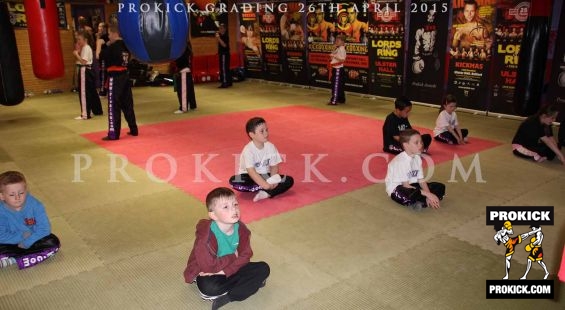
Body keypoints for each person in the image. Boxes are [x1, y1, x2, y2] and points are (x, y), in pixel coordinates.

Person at [183, 187, 270, 310]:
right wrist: (233, 256)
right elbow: (209, 267)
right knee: (209, 287)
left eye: (235, 204)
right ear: (213, 215)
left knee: (263, 268)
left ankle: (229, 296)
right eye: (226, 207)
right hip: (208, 272)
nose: (234, 209)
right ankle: (246, 285)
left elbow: (246, 256)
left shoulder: (241, 229)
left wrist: (225, 271)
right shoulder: (205, 237)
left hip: (226, 270)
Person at [0, 171, 60, 269]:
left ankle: (13, 259)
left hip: (33, 239)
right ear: (2, 196)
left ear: (26, 190)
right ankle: (22, 256)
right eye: (12, 195)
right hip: (11, 240)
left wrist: (26, 242)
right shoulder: (1, 211)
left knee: (53, 242)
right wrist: (22, 236)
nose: (17, 197)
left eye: (21, 193)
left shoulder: (36, 205)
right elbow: (1, 236)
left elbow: (44, 229)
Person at [229, 117, 294, 202]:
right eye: (262, 131)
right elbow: (251, 171)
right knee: (235, 181)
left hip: (265, 175)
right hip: (248, 176)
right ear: (252, 135)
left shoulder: (270, 146)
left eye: (266, 130)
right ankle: (264, 188)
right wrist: (265, 185)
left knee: (289, 180)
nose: (266, 133)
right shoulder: (248, 150)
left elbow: (274, 166)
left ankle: (265, 193)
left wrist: (272, 180)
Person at [384, 129, 445, 211]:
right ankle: (422, 201)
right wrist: (429, 195)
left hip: (413, 185)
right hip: (399, 188)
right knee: (410, 195)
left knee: (440, 187)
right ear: (406, 145)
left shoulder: (417, 157)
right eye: (416, 143)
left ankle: (421, 201)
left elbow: (421, 180)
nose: (420, 145)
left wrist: (429, 194)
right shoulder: (401, 162)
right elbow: (406, 186)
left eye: (421, 142)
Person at [100, 24, 138, 141]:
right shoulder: (126, 46)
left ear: (114, 33)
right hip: (125, 76)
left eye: (110, 34)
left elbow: (99, 56)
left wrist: (99, 45)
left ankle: (114, 134)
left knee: (113, 106)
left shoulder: (112, 47)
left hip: (115, 77)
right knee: (127, 104)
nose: (109, 36)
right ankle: (133, 129)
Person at [72, 31, 103, 120]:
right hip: (88, 71)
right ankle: (96, 110)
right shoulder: (86, 48)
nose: (78, 41)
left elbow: (84, 62)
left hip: (85, 70)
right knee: (91, 92)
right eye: (77, 39)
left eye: (79, 39)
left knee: (84, 93)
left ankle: (85, 114)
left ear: (85, 40)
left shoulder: (86, 48)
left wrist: (76, 54)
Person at [173, 40, 197, 114]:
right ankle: (192, 105)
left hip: (183, 71)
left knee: (182, 90)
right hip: (187, 70)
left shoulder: (182, 49)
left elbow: (179, 60)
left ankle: (183, 108)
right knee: (189, 89)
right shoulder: (187, 48)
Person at [327, 35, 346, 105]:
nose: (336, 42)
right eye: (336, 40)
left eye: (338, 41)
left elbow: (342, 59)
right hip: (336, 68)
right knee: (339, 85)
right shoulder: (339, 48)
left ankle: (334, 100)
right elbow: (332, 55)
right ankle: (341, 99)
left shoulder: (342, 49)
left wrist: (334, 56)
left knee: (335, 85)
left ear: (342, 42)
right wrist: (333, 50)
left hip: (338, 68)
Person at [216, 23, 232, 88]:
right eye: (219, 28)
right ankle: (229, 82)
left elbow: (224, 45)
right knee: (225, 68)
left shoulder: (225, 36)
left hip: (224, 55)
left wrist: (218, 38)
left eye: (221, 28)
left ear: (224, 29)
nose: (220, 29)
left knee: (224, 69)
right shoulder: (221, 35)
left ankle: (225, 82)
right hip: (222, 54)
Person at [96, 22, 109, 96]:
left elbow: (100, 43)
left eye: (101, 27)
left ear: (104, 28)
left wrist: (97, 54)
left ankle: (103, 90)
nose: (99, 28)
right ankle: (104, 89)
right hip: (103, 58)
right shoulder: (100, 36)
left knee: (103, 74)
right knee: (102, 73)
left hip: (105, 58)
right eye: (98, 26)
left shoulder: (106, 37)